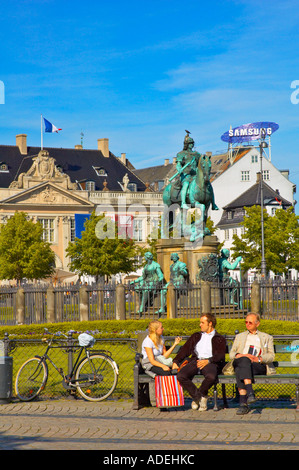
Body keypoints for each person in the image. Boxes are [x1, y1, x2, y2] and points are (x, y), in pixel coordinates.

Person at [172, 314, 226, 411]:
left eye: (202, 322)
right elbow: (185, 350)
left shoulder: (219, 338)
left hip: (211, 362)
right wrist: (176, 361)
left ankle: (200, 395)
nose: (200, 325)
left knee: (211, 377)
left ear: (210, 323)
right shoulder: (196, 336)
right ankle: (199, 398)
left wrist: (208, 360)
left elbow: (220, 356)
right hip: (196, 361)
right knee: (181, 375)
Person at [229, 312, 275, 415]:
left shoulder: (266, 337)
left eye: (250, 322)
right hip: (241, 361)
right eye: (246, 322)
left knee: (240, 369)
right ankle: (250, 393)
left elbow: (272, 356)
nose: (247, 324)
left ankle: (243, 404)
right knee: (244, 361)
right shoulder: (240, 336)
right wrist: (240, 355)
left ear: (257, 324)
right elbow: (231, 354)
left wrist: (258, 359)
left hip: (257, 365)